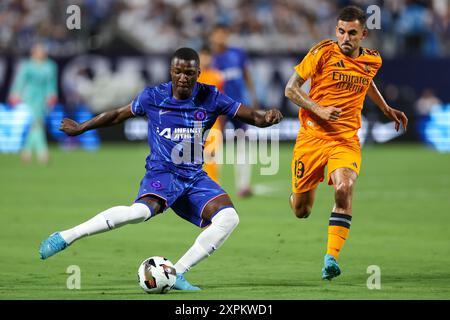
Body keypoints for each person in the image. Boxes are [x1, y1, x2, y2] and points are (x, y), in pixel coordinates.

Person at [38, 48, 283, 290]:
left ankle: (177, 273)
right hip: (162, 174)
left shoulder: (212, 97)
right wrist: (82, 127)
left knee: (229, 217)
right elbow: (117, 115)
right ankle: (66, 236)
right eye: (178, 72)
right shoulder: (153, 97)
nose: (183, 78)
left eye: (189, 72)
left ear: (198, 73)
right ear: (171, 71)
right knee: (139, 213)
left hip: (194, 177)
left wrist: (267, 117)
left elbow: (252, 116)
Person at [284, 6, 408, 280]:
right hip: (312, 138)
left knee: (344, 187)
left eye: (352, 33)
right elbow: (290, 89)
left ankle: (331, 258)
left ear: (363, 34)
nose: (345, 38)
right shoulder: (322, 52)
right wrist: (319, 109)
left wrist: (386, 108)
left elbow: (366, 81)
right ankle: (297, 194)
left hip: (345, 139)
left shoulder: (373, 60)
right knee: (301, 210)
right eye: (341, 31)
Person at [209, 24, 259, 198]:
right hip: (217, 109)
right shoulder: (210, 59)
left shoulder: (237, 53)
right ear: (212, 37)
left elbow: (246, 75)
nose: (221, 37)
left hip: (238, 106)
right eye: (218, 34)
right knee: (214, 146)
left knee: (243, 144)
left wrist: (253, 97)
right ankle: (213, 184)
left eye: (224, 33)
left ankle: (244, 185)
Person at [8, 43, 58, 164]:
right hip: (30, 96)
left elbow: (51, 83)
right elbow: (20, 80)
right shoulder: (27, 65)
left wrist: (52, 95)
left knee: (35, 125)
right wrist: (15, 93)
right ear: (34, 52)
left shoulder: (50, 65)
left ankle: (26, 151)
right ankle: (43, 152)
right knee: (37, 123)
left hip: (43, 97)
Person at [198, 45, 225, 183]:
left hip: (213, 124)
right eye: (202, 55)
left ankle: (214, 186)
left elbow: (222, 102)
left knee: (212, 157)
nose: (205, 59)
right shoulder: (192, 76)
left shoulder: (217, 77)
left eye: (207, 56)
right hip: (194, 124)